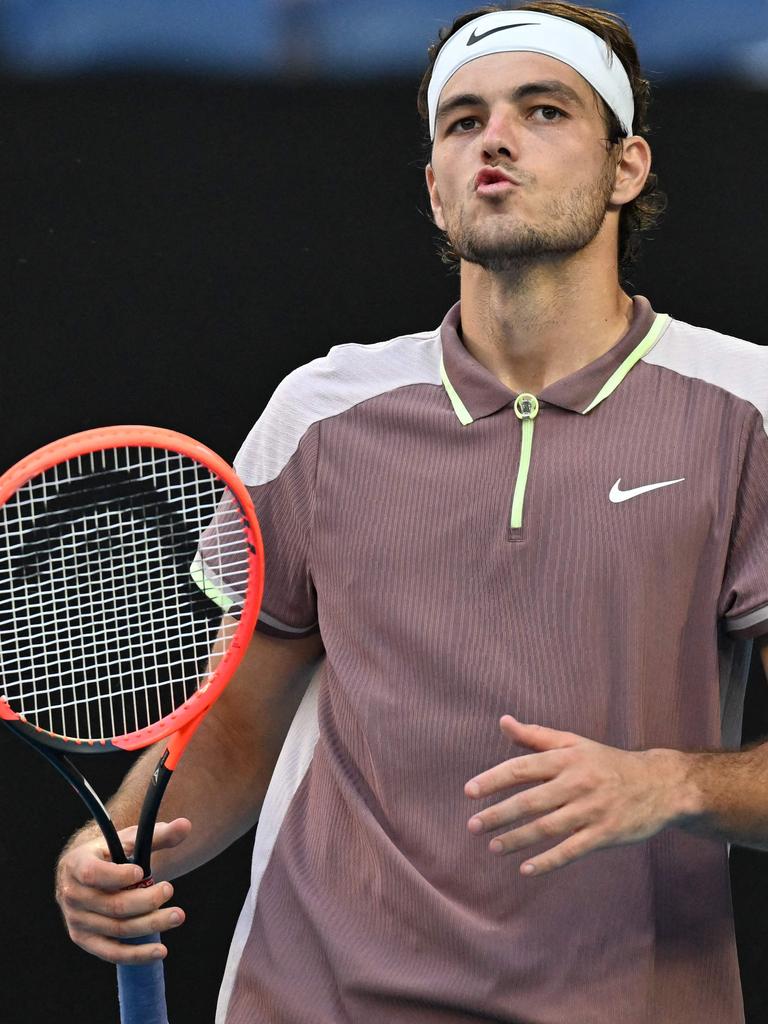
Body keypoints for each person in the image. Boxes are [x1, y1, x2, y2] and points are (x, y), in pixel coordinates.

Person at [55, 3, 768, 1022]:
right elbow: (241, 722)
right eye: (463, 121)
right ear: (436, 190)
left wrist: (673, 783)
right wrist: (116, 844)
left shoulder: (748, 413)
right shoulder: (320, 415)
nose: (498, 141)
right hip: (317, 998)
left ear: (628, 167)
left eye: (544, 110)